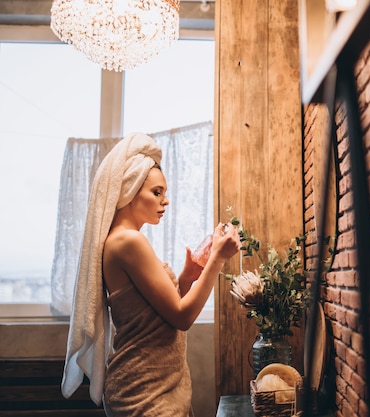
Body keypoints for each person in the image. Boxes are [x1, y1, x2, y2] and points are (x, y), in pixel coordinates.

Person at [60, 132, 240, 417]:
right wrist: (218, 259)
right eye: (156, 192)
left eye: (164, 193)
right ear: (128, 190)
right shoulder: (128, 241)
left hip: (146, 383)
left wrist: (187, 277)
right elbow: (181, 317)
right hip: (144, 391)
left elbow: (157, 315)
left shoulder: (124, 240)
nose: (165, 201)